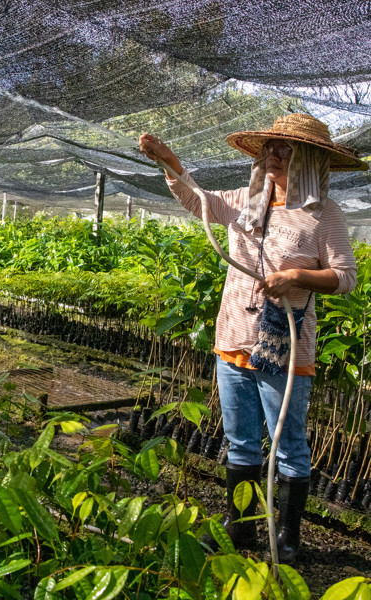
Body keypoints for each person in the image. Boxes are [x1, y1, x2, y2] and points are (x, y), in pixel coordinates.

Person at [139, 113, 368, 563]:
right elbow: (197, 200)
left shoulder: (322, 215)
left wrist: (298, 275)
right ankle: (240, 526)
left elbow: (346, 277)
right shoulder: (246, 203)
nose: (275, 156)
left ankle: (288, 536)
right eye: (270, 148)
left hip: (285, 349)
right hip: (233, 340)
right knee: (240, 441)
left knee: (288, 443)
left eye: (287, 150)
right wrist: (168, 160)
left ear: (312, 160)